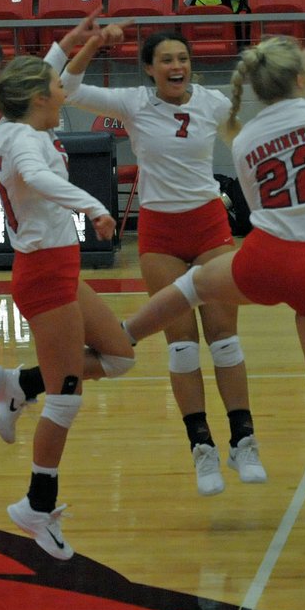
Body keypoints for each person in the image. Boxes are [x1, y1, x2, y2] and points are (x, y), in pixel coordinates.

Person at [122, 36, 305, 564]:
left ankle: (120, 340)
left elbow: (263, 213)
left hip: (264, 258)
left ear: (255, 87)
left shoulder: (242, 139)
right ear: (299, 80)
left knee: (193, 286)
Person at [0, 16, 137, 560]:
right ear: (36, 101)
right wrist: (95, 206)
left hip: (57, 268)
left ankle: (19, 384)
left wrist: (78, 41)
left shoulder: (12, 122)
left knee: (120, 357)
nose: (64, 90)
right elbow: (46, 179)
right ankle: (36, 504)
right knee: (67, 400)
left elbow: (47, 73)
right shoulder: (26, 144)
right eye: (57, 90)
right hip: (44, 276)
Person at [50, 29, 266, 496]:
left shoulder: (211, 103)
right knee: (183, 346)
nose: (176, 66)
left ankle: (244, 439)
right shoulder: (133, 103)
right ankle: (202, 449)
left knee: (225, 340)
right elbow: (66, 89)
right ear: (149, 68)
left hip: (209, 226)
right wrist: (91, 45)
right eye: (166, 59)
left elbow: (247, 149)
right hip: (161, 233)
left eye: (183, 58)